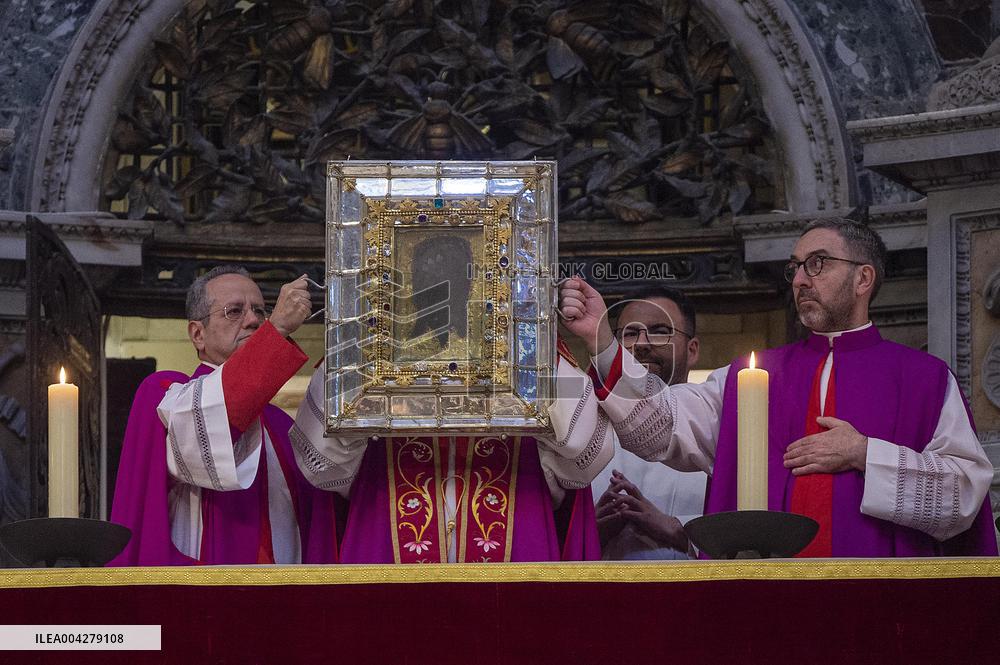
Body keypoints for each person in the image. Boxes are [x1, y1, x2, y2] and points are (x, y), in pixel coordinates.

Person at [560, 218, 998, 557]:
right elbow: (661, 425)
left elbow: (963, 495)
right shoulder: (748, 377)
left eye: (817, 264)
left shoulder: (924, 378)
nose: (800, 279)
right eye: (795, 268)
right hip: (766, 598)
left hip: (880, 597)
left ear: (863, 279)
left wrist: (865, 453)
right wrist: (601, 337)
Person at [290, 286, 614, 563]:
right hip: (386, 559)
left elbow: (586, 455)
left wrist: (527, 342)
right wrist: (366, 345)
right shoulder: (365, 346)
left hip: (514, 560)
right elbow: (321, 462)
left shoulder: (532, 348)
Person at [109, 266, 337, 565]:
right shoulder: (165, 393)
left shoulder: (282, 425)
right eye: (234, 311)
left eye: (260, 311)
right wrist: (277, 329)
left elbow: (325, 512)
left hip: (283, 588)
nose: (253, 321)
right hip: (199, 588)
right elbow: (216, 416)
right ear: (198, 334)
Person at [592, 287, 708, 560]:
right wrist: (589, 531)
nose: (642, 344)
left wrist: (679, 530)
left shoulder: (715, 425)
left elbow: (745, 525)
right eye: (630, 334)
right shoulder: (584, 429)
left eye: (659, 331)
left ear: (692, 350)